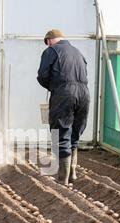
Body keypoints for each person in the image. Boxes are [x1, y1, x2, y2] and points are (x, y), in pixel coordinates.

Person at [37, 29, 90, 185]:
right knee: (75, 131)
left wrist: (55, 88)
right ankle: (72, 173)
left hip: (64, 93)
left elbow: (43, 76)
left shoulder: (51, 51)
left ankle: (62, 180)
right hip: (84, 93)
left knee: (60, 132)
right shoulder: (78, 52)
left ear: (49, 40)